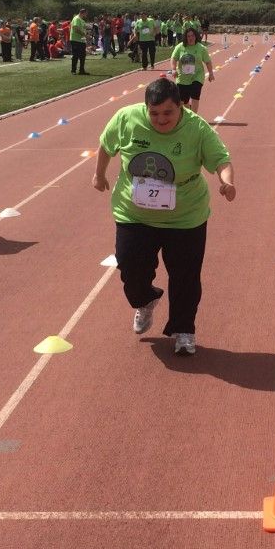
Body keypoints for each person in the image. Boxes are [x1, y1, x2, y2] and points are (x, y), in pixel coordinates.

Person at [92, 78, 236, 356]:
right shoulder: (126, 118)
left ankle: (184, 329)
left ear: (181, 106)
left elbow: (221, 159)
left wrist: (227, 182)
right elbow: (106, 146)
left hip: (185, 216)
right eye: (154, 113)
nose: (161, 119)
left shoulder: (196, 128)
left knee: (185, 275)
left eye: (168, 113)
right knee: (130, 266)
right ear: (145, 108)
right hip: (134, 212)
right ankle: (145, 299)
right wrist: (98, 174)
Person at [170, 26, 214, 112]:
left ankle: (194, 116)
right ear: (185, 37)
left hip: (197, 75)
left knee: (195, 95)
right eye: (188, 36)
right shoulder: (180, 47)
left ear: (196, 36)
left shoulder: (201, 48)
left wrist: (211, 73)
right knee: (183, 101)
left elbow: (208, 62)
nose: (190, 38)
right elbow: (173, 58)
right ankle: (188, 112)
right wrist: (173, 69)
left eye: (192, 36)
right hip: (183, 77)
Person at [70, 8, 90, 75]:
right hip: (75, 40)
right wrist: (85, 35)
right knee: (75, 55)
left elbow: (84, 27)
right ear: (83, 13)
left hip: (81, 40)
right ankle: (73, 70)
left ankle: (81, 70)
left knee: (82, 56)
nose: (86, 14)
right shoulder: (77, 19)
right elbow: (76, 29)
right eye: (86, 13)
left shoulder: (82, 20)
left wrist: (88, 33)